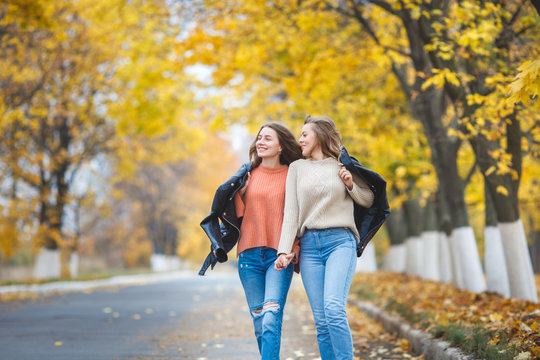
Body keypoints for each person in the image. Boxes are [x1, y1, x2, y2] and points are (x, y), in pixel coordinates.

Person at [275, 115, 389, 360]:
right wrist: (284, 251)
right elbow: (291, 213)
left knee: (334, 310)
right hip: (310, 248)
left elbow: (368, 199)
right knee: (322, 322)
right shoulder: (297, 168)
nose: (300, 139)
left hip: (340, 242)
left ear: (320, 135)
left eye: (305, 134)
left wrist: (350, 184)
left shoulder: (342, 164)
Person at [199, 123, 303, 360]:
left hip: (279, 257)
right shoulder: (245, 177)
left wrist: (292, 251)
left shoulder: (292, 175)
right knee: (259, 322)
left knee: (270, 319)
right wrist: (240, 193)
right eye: (259, 138)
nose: (261, 142)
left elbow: (297, 217)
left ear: (280, 146)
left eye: (268, 138)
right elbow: (234, 218)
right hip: (249, 258)